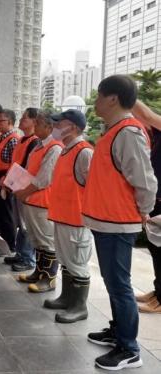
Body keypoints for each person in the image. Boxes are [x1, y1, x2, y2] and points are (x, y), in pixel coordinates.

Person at [83, 75, 157, 371]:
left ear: (112, 98)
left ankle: (129, 349)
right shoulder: (114, 131)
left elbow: (145, 180)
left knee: (119, 286)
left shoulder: (127, 133)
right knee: (114, 284)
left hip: (117, 222)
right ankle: (118, 332)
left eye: (100, 96)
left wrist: (145, 211)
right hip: (107, 221)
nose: (96, 102)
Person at [44, 109, 94, 324]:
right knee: (66, 261)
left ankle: (79, 306)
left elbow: (94, 187)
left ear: (72, 127)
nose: (56, 127)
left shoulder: (84, 152)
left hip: (77, 220)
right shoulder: (66, 150)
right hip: (63, 217)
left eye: (59, 123)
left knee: (78, 263)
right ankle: (66, 298)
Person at [15, 110, 62, 293]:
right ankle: (39, 272)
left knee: (46, 240)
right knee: (36, 240)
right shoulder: (39, 146)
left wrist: (24, 192)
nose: (35, 126)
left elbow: (44, 179)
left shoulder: (54, 148)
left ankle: (49, 279)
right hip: (31, 200)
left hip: (42, 202)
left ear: (49, 127)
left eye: (39, 123)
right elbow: (28, 171)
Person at [131, 99, 161, 313]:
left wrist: (124, 93)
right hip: (158, 198)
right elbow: (146, 119)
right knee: (155, 249)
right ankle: (157, 292)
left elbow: (148, 116)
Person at [2, 108, 39, 271]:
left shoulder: (34, 141)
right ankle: (20, 253)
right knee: (20, 223)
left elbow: (27, 167)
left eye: (25, 118)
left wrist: (14, 183)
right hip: (16, 185)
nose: (21, 121)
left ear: (34, 121)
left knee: (25, 224)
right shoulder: (23, 139)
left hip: (24, 188)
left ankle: (27, 258)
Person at [0, 109, 20, 257]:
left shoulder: (13, 139)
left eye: (2, 121)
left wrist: (7, 181)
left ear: (11, 122)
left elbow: (14, 164)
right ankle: (3, 243)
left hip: (5, 178)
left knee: (7, 213)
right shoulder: (3, 137)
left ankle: (10, 246)